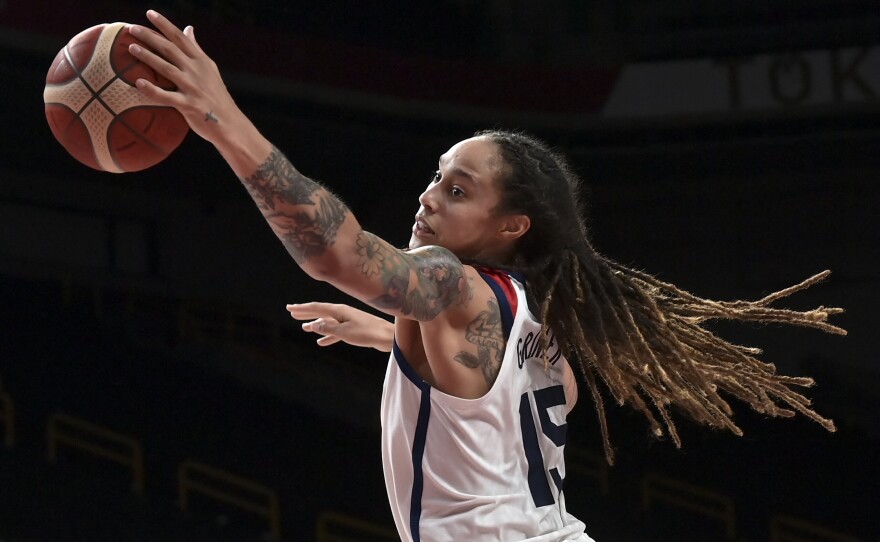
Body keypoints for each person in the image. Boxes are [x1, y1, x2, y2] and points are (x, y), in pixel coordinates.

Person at [128, 11, 846, 542]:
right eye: (437, 177)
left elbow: (337, 252)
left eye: (459, 191)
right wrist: (394, 337)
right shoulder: (540, 318)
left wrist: (223, 120)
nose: (429, 197)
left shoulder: (449, 282)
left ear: (512, 228)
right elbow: (501, 393)